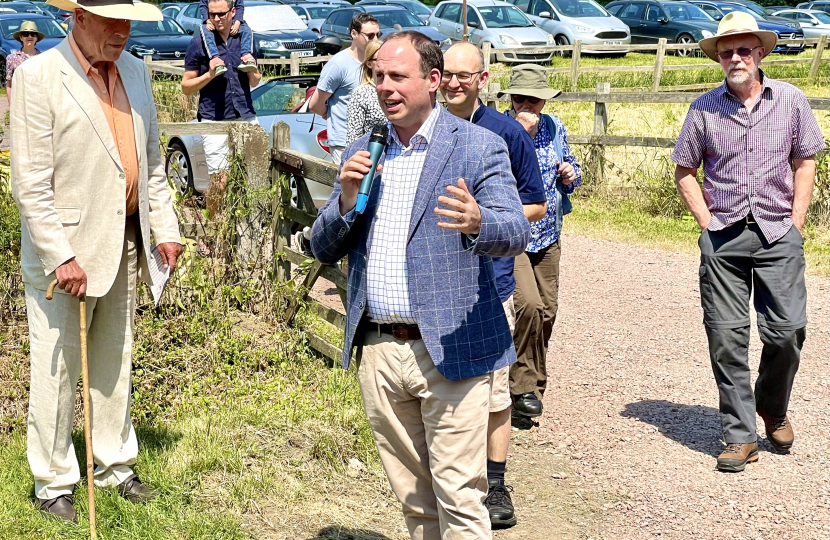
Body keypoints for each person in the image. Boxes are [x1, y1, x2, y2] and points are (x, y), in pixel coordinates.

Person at [311, 31, 530, 539]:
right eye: (377, 76)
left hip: (452, 350)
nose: (385, 87)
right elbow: (323, 248)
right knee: (414, 501)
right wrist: (344, 200)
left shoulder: (478, 146)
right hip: (382, 353)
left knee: (459, 497)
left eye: (397, 76)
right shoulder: (368, 148)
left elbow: (516, 230)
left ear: (432, 81)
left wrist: (480, 222)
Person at [11, 0, 182, 522]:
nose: (124, 33)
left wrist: (166, 227)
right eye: (113, 22)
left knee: (115, 361)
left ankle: (113, 465)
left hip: (123, 243)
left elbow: (150, 159)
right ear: (79, 18)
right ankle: (54, 480)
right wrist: (60, 254)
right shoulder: (38, 76)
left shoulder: (134, 69)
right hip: (63, 256)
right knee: (57, 368)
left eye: (129, 22)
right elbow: (31, 183)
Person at [672, 12, 824, 473]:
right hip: (724, 237)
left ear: (760, 53)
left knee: (788, 330)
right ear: (718, 58)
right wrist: (706, 222)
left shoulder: (792, 100)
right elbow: (684, 169)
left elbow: (806, 160)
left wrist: (797, 220)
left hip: (779, 233)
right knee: (726, 337)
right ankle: (740, 436)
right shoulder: (703, 108)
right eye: (726, 52)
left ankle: (771, 407)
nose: (735, 58)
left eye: (743, 50)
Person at [439, 41, 546, 529]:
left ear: (483, 79)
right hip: (437, 285)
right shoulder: (423, 131)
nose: (455, 82)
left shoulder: (505, 134)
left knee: (496, 394)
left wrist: (482, 218)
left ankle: (496, 484)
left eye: (465, 75)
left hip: (492, 280)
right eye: (447, 74)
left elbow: (537, 206)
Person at [498, 64, 581, 419]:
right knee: (527, 306)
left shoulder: (555, 127)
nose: (527, 105)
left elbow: (571, 170)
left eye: (534, 99)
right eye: (520, 98)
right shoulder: (499, 130)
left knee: (547, 311)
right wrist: (521, 134)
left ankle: (533, 384)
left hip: (548, 233)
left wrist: (571, 173)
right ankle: (519, 388)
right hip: (513, 233)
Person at [182, 0, 261, 185]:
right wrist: (209, 75)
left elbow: (255, 81)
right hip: (213, 119)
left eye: (221, 14)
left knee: (254, 177)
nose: (216, 19)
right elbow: (185, 87)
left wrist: (252, 68)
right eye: (212, 14)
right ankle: (219, 215)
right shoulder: (199, 41)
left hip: (245, 115)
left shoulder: (244, 39)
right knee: (220, 182)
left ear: (233, 12)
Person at [307, 13, 380, 164]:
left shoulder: (378, 61)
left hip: (374, 141)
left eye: (378, 35)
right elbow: (315, 104)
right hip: (345, 143)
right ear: (354, 33)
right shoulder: (338, 64)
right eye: (370, 35)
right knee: (348, 187)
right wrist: (330, 115)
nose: (375, 40)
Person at [199, 0, 256, 76]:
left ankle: (246, 57)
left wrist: (237, 22)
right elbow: (203, 6)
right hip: (211, 21)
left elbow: (239, 7)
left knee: (246, 30)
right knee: (207, 32)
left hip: (231, 20)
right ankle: (215, 59)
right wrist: (207, 20)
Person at [345, 39, 385, 145]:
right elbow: (353, 137)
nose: (385, 63)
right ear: (369, 64)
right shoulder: (361, 94)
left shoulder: (395, 90)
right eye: (380, 59)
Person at [6, 20, 44, 104]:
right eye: (26, 34)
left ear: (37, 38)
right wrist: (11, 105)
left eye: (33, 34)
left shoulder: (43, 58)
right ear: (21, 37)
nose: (29, 36)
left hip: (38, 103)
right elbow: (9, 85)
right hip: (19, 102)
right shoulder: (12, 58)